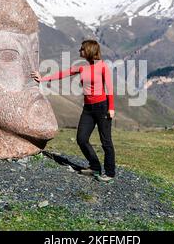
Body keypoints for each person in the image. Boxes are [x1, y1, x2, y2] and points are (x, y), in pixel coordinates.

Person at [31, 40, 116, 183]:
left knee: (106, 141)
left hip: (102, 107)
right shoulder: (83, 68)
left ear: (89, 50)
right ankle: (95, 166)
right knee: (81, 139)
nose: (80, 51)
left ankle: (110, 172)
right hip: (88, 108)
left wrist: (111, 108)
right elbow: (63, 74)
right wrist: (43, 78)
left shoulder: (102, 67)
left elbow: (109, 88)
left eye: (82, 49)